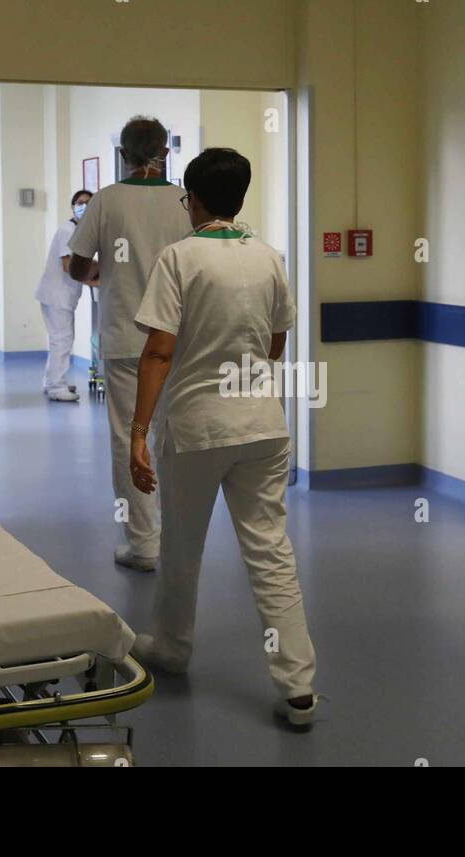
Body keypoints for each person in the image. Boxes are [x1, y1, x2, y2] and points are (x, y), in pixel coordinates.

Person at [127, 148, 319, 727]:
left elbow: (159, 349)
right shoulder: (269, 258)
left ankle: (171, 648)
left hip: (197, 428)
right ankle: (299, 687)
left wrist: (137, 433)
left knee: (181, 546)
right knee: (270, 550)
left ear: (197, 199)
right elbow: (276, 344)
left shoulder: (179, 259)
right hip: (263, 426)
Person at [67, 117, 192, 572]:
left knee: (129, 438)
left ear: (122, 151)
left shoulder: (106, 200)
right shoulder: (184, 200)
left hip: (126, 337)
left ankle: (144, 544)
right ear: (164, 151)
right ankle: (180, 539)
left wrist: (106, 273)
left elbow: (77, 267)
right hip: (177, 336)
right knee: (173, 437)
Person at [35, 190, 96, 402]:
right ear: (72, 206)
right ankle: (56, 386)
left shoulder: (79, 230)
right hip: (57, 296)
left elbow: (83, 262)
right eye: (79, 203)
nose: (83, 206)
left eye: (88, 203)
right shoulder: (68, 230)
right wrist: (96, 281)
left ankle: (50, 380)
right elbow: (68, 266)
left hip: (57, 295)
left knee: (58, 340)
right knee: (62, 340)